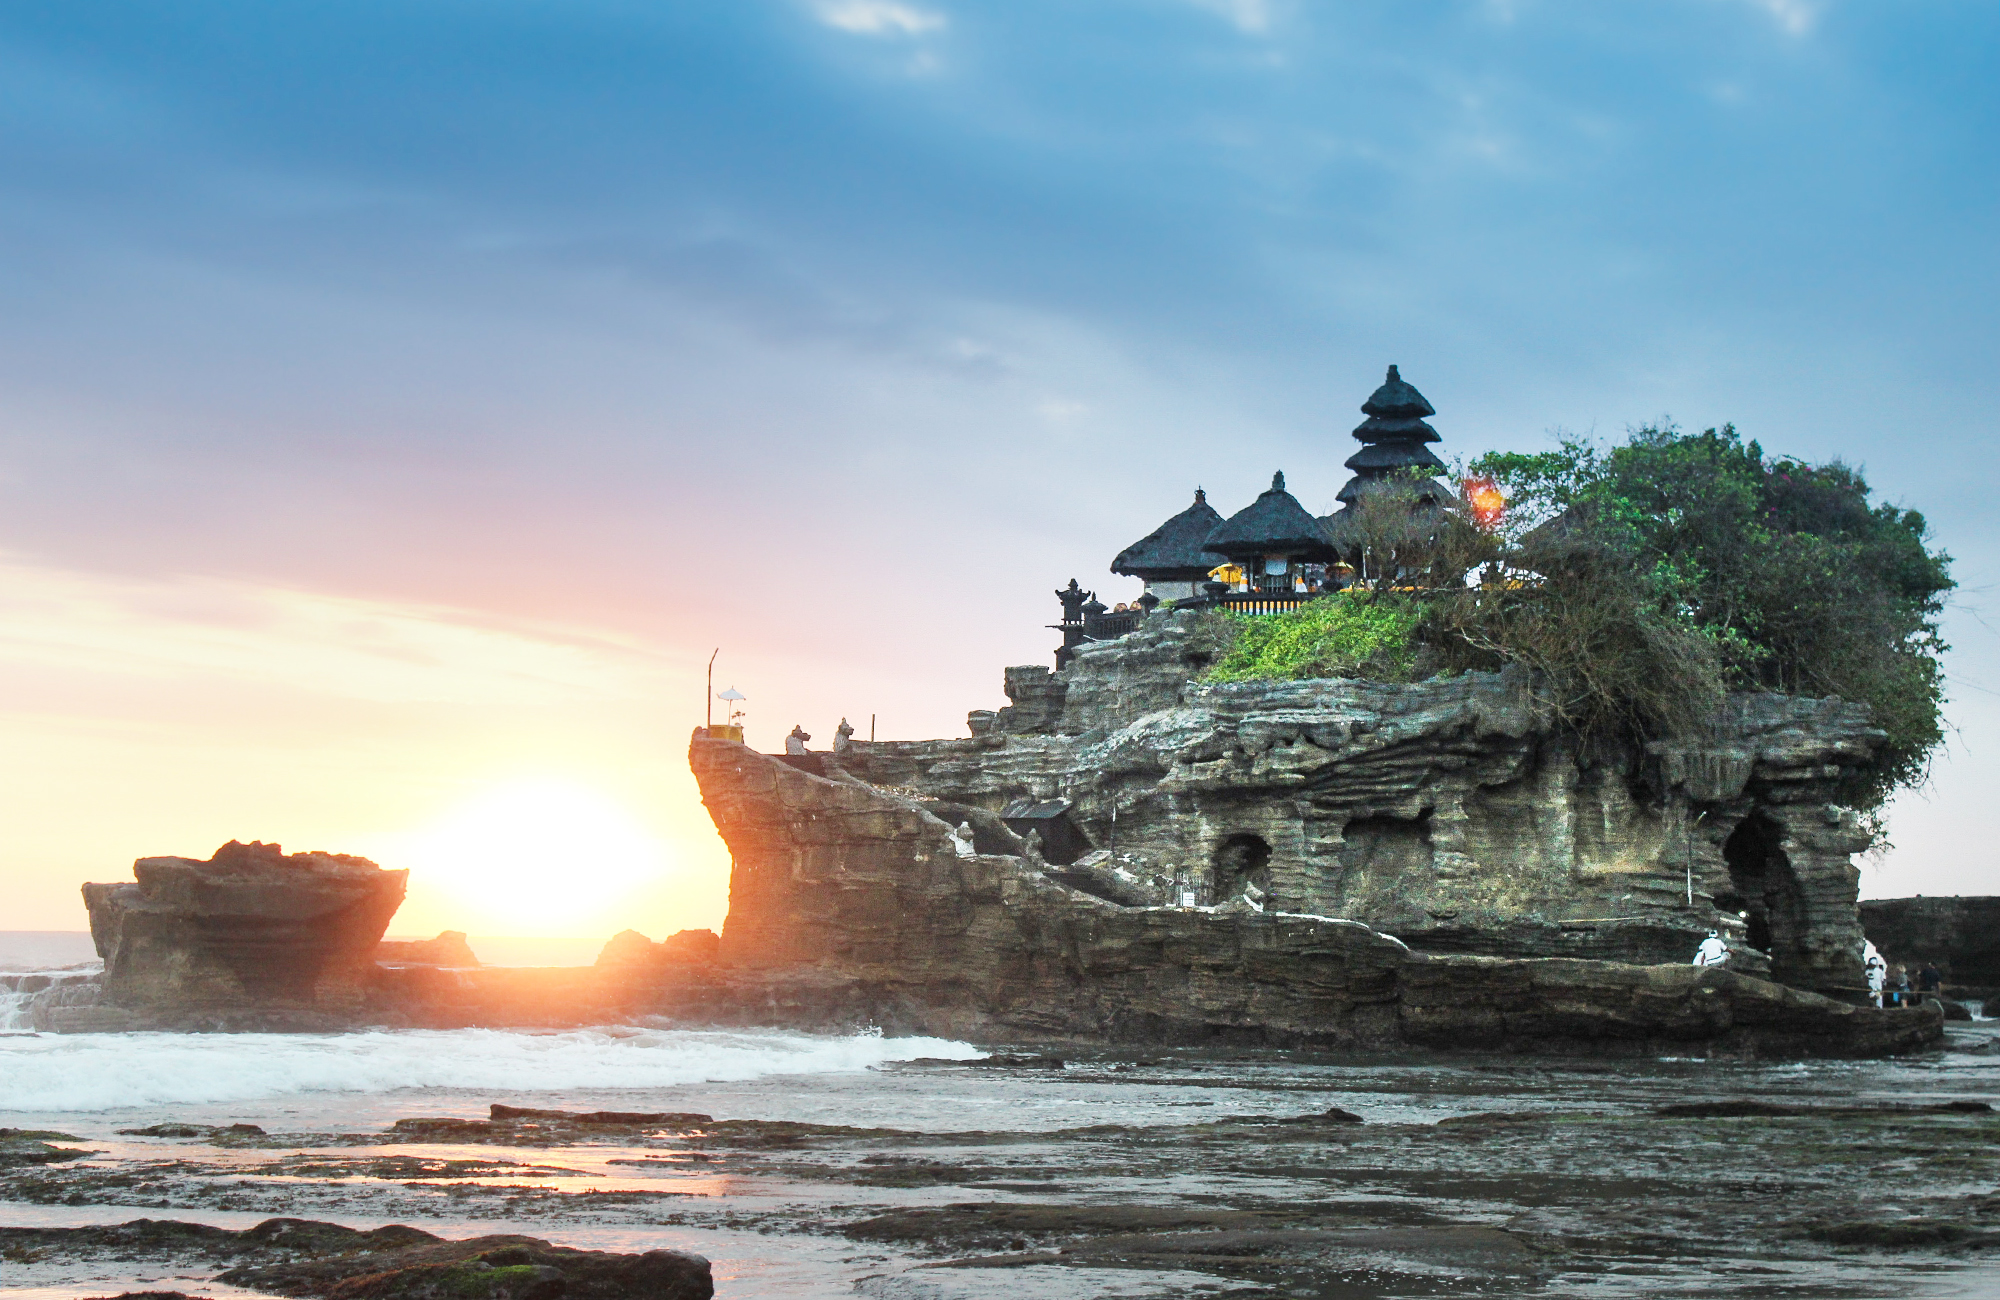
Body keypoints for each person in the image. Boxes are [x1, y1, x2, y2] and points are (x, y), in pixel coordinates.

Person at [1863, 940, 1887, 1007]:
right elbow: (1865, 978)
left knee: (1879, 999)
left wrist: (1884, 987)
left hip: (1878, 987)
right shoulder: (1867, 971)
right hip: (1871, 988)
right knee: (1871, 999)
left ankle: (1879, 1009)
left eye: (1873, 965)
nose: (1872, 966)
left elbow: (1883, 979)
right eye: (1871, 965)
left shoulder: (1879, 971)